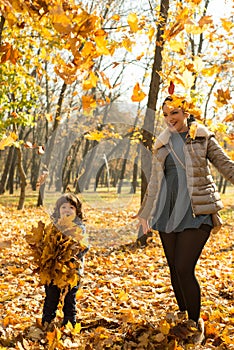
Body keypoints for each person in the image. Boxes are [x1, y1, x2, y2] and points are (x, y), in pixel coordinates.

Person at [136, 95, 234, 343]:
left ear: (186, 112)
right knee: (173, 268)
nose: (170, 119)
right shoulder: (162, 143)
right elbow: (156, 183)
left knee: (184, 267)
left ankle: (195, 322)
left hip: (195, 211)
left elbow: (226, 165)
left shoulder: (202, 136)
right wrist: (145, 212)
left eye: (175, 113)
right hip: (166, 212)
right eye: (166, 114)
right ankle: (183, 313)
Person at [42, 193, 89, 329]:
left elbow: (85, 246)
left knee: (70, 299)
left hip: (72, 272)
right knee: (51, 298)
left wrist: (73, 253)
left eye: (71, 207)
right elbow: (46, 244)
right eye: (63, 207)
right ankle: (47, 321)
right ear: (58, 210)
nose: (67, 210)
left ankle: (69, 323)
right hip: (53, 271)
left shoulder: (80, 228)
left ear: (77, 211)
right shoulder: (53, 226)